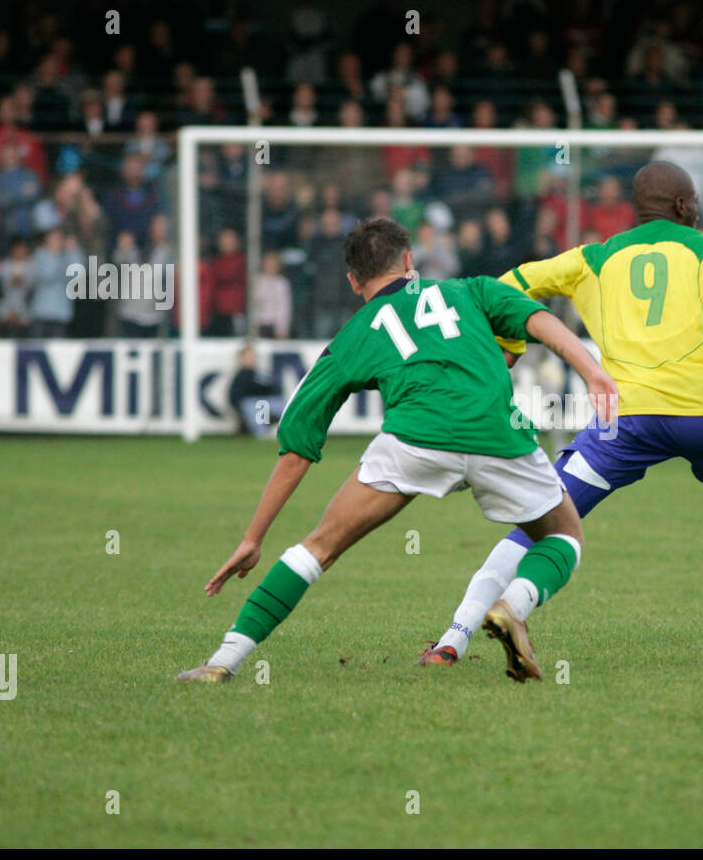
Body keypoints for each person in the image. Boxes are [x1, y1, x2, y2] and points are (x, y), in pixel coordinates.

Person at [179, 218, 618, 685]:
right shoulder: (471, 290)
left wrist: (253, 538)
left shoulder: (354, 335)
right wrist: (592, 371)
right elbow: (537, 318)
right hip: (498, 436)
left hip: (415, 441)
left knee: (319, 547)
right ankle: (513, 606)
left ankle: (223, 660)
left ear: (353, 281)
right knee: (564, 536)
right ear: (409, 261)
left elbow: (297, 447)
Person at [417, 161, 703, 668]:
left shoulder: (593, 258)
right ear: (686, 207)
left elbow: (509, 284)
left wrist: (510, 342)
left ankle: (456, 638)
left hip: (624, 420)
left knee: (543, 518)